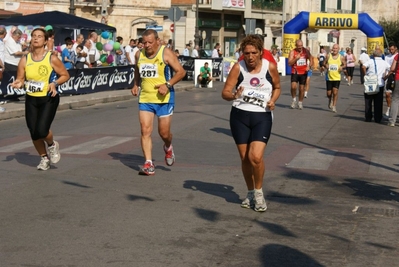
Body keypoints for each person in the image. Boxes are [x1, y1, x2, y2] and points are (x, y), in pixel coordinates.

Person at [221, 35, 281, 212]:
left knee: (255, 157)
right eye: (246, 53)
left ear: (260, 52)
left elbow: (277, 87)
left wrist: (273, 101)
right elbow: (225, 92)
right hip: (240, 115)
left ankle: (259, 192)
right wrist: (234, 95)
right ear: (242, 54)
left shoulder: (269, 67)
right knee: (245, 158)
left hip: (262, 116)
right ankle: (249, 192)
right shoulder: (238, 68)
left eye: (254, 53)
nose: (250, 57)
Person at [10, 28, 70, 170]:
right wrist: (18, 83)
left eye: (39, 36)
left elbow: (65, 75)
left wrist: (54, 83)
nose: (36, 38)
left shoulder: (51, 58)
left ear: (45, 40)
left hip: (49, 98)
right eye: (34, 36)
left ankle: (52, 145)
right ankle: (44, 158)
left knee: (42, 131)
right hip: (31, 99)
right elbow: (20, 78)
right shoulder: (25, 59)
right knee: (33, 132)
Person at [130, 29, 186, 175]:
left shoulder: (165, 53)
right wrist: (136, 84)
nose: (147, 45)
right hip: (146, 98)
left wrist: (167, 85)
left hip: (164, 99)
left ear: (157, 41)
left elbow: (181, 72)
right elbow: (137, 69)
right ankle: (148, 163)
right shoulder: (139, 54)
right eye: (144, 42)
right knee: (145, 130)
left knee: (164, 133)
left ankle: (168, 147)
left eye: (150, 42)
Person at [362, 48, 390, 123]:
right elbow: (390, 69)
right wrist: (386, 76)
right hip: (380, 84)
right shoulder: (384, 62)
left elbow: (363, 66)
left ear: (373, 54)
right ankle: (378, 118)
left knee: (368, 101)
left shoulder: (370, 61)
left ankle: (368, 117)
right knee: (378, 102)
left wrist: (365, 75)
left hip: (370, 83)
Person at [288, 39, 313, 109]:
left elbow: (311, 59)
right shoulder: (292, 52)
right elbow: (289, 63)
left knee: (301, 89)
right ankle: (293, 100)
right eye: (299, 46)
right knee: (293, 87)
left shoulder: (306, 51)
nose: (300, 47)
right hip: (295, 72)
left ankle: (300, 102)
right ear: (296, 45)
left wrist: (309, 66)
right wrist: (295, 59)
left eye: (301, 46)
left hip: (303, 72)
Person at [324, 43, 346, 113]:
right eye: (334, 48)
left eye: (336, 48)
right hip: (329, 77)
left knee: (335, 92)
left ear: (338, 49)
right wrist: (326, 65)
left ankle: (334, 106)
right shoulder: (328, 56)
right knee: (329, 94)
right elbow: (324, 63)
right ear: (332, 49)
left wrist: (341, 67)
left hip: (337, 77)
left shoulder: (341, 57)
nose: (335, 50)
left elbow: (345, 64)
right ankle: (330, 100)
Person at [386, 44, 399, 127]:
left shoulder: (397, 56)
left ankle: (392, 121)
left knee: (395, 99)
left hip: (398, 78)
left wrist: (387, 76)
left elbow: (392, 68)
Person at [384, 43, 398, 117]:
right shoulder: (386, 57)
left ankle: (394, 110)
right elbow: (385, 68)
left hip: (395, 76)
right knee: (387, 94)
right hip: (388, 77)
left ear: (395, 48)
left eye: (392, 49)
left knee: (395, 95)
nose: (391, 51)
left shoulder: (397, 56)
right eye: (390, 49)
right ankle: (389, 108)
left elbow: (393, 69)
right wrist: (384, 75)